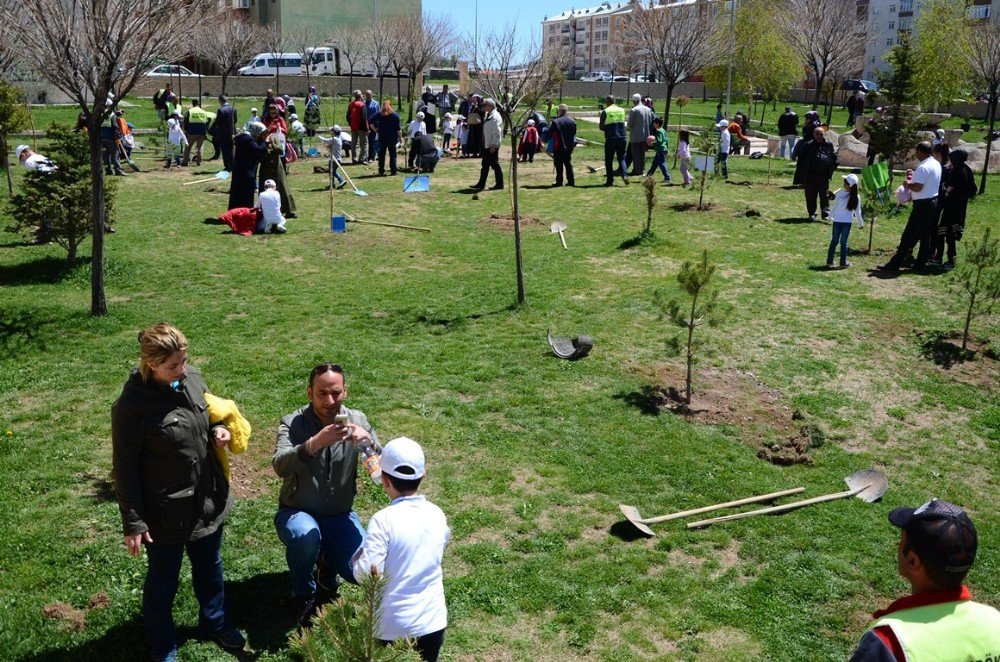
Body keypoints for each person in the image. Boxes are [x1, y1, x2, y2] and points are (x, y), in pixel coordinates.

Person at [112, 323, 245, 661]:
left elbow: (205, 418)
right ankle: (163, 645)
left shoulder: (192, 378)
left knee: (210, 568)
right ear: (150, 365)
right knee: (163, 581)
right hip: (164, 513)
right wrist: (134, 521)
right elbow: (124, 468)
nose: (181, 371)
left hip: (206, 500)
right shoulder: (132, 406)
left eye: (184, 361)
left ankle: (215, 623)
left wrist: (219, 430)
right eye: (172, 366)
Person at [273, 363, 380, 627]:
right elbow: (279, 465)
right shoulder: (293, 422)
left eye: (336, 393)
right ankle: (303, 592)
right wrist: (315, 443)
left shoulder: (358, 420)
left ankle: (327, 565)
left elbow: (383, 467)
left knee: (364, 573)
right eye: (322, 393)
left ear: (345, 391)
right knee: (305, 536)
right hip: (298, 511)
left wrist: (370, 442)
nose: (329, 401)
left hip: (339, 514)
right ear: (309, 393)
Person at [849, 499, 1000, 661]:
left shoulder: (890, 641)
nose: (897, 545)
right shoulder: (994, 620)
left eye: (901, 541)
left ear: (913, 561)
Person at [351, 437, 451, 662]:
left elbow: (367, 574)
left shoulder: (383, 520)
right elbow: (444, 539)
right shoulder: (437, 513)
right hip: (432, 622)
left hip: (391, 626)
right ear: (423, 476)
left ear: (384, 479)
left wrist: (356, 559)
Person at [877, 142, 942, 273]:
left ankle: (895, 264)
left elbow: (918, 187)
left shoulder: (923, 167)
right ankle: (920, 264)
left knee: (908, 235)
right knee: (925, 236)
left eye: (917, 151)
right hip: (932, 202)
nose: (916, 154)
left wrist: (907, 184)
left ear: (921, 152)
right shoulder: (936, 163)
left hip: (923, 205)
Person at [931, 149, 976, 270]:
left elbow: (951, 186)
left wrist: (948, 190)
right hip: (957, 207)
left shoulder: (959, 170)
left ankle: (945, 259)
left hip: (953, 208)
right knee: (947, 233)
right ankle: (945, 258)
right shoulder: (965, 169)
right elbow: (972, 190)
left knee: (943, 231)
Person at [799, 126, 838, 221]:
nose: (819, 136)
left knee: (824, 196)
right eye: (817, 134)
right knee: (811, 196)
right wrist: (802, 175)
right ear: (813, 134)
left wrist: (834, 165)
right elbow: (801, 160)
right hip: (810, 176)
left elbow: (833, 156)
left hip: (824, 176)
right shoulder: (808, 145)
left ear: (824, 134)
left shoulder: (828, 144)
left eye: (821, 134)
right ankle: (812, 214)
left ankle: (826, 214)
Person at [227, 122, 269, 210]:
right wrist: (265, 142)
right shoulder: (247, 139)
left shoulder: (242, 137)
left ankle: (236, 211)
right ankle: (245, 212)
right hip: (246, 170)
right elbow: (257, 150)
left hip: (241, 169)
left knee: (238, 193)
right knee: (246, 193)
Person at [826, 174, 864, 269]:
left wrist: (830, 217)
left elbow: (834, 207)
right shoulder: (857, 197)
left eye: (845, 182)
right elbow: (857, 212)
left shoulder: (840, 194)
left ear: (848, 185)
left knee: (834, 241)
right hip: (847, 223)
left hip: (837, 221)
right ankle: (843, 263)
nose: (843, 183)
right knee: (844, 242)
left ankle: (829, 261)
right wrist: (860, 224)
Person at [258, 134, 297, 218]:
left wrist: (272, 143)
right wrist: (265, 144)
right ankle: (265, 211)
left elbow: (281, 151)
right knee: (267, 189)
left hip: (277, 168)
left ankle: (288, 211)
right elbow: (260, 156)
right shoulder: (260, 142)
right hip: (266, 170)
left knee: (282, 188)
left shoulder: (274, 138)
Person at [471, 98, 503, 190]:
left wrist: (493, 144)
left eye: (485, 105)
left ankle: (499, 184)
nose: (483, 107)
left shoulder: (495, 117)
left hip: (492, 145)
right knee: (485, 165)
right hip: (487, 144)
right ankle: (481, 184)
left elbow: (497, 132)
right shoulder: (488, 115)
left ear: (491, 106)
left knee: (494, 164)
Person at [599, 95, 628, 187]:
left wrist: (607, 128)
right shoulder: (622, 110)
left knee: (609, 160)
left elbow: (601, 127)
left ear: (607, 102)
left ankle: (610, 180)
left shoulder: (605, 111)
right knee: (622, 158)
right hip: (622, 137)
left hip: (611, 137)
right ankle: (624, 176)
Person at [626, 93, 653, 176]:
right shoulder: (648, 109)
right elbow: (650, 122)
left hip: (636, 136)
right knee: (642, 154)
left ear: (634, 101)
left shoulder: (634, 110)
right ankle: (642, 169)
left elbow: (629, 124)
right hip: (646, 136)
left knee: (636, 154)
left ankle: (636, 170)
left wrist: (626, 128)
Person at [550, 104, 577, 188]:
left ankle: (559, 181)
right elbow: (574, 134)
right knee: (568, 164)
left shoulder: (556, 121)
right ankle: (571, 181)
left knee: (558, 164)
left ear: (559, 111)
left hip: (559, 146)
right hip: (569, 146)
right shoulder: (572, 121)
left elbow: (551, 132)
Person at [374, 99, 403, 176]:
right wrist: (400, 138)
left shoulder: (379, 114)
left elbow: (370, 121)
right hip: (392, 138)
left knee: (381, 154)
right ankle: (393, 171)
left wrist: (375, 129)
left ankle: (381, 171)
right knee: (393, 154)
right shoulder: (395, 115)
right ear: (391, 106)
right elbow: (398, 129)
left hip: (382, 138)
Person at [182, 99, 209, 167]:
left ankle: (185, 162)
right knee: (199, 148)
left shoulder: (190, 111)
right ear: (199, 103)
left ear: (192, 104)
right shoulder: (204, 112)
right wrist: (205, 132)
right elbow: (207, 122)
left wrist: (185, 130)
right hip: (202, 132)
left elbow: (185, 121)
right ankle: (198, 162)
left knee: (188, 147)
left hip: (192, 132)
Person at [214, 95, 237, 172]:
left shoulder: (221, 110)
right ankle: (232, 164)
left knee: (225, 150)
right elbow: (235, 120)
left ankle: (227, 166)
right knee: (231, 149)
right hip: (232, 132)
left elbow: (217, 123)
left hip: (223, 133)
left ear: (220, 101)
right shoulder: (233, 109)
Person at [346, 90, 369, 164]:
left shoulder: (351, 104)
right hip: (361, 127)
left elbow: (347, 117)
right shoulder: (362, 105)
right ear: (360, 96)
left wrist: (351, 124)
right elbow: (364, 118)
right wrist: (366, 129)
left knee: (353, 143)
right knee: (364, 143)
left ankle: (354, 159)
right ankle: (361, 159)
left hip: (353, 127)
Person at [364, 90, 380, 161]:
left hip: (373, 126)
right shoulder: (363, 103)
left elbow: (378, 115)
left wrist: (378, 126)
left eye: (369, 94)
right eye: (366, 94)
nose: (367, 96)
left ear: (371, 95)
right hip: (364, 125)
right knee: (364, 142)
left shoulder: (375, 104)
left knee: (372, 142)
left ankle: (371, 156)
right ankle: (364, 156)